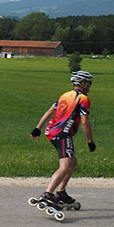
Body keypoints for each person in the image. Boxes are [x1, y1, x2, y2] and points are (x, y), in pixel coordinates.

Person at [30, 70, 96, 208]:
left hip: (52, 131)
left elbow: (50, 111)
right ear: (83, 83)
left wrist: (38, 128)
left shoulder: (65, 95)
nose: (90, 86)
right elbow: (85, 122)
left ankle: (61, 193)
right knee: (66, 166)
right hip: (62, 134)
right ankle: (48, 194)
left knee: (72, 163)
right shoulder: (83, 99)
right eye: (89, 83)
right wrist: (90, 141)